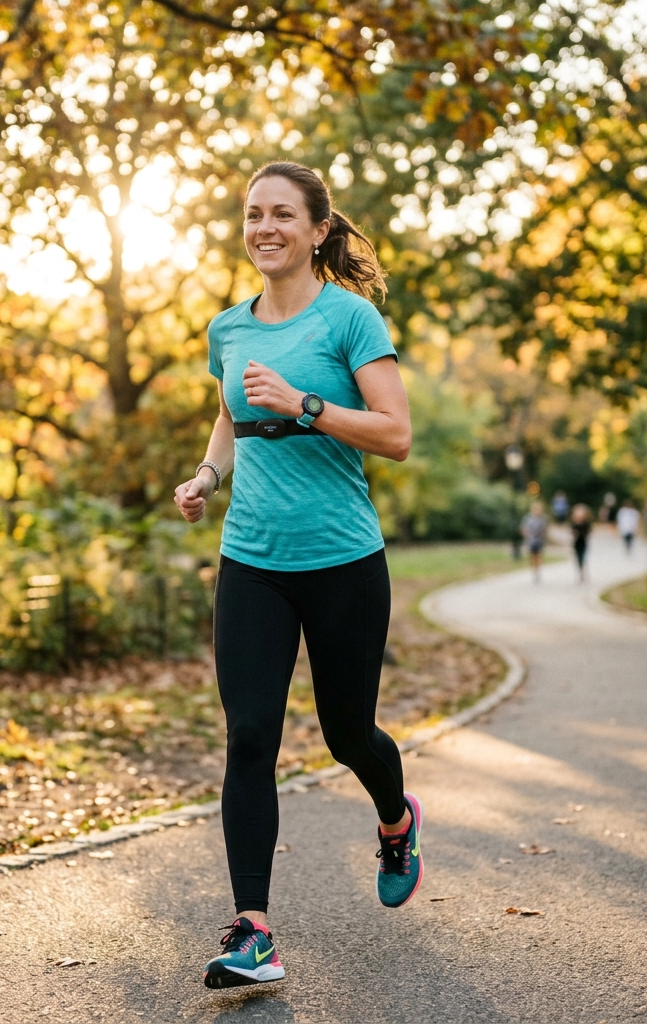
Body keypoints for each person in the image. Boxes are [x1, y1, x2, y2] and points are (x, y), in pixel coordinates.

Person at [173, 161, 423, 990]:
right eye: (252, 215)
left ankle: (395, 820)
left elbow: (394, 435)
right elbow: (228, 415)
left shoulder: (351, 320)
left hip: (345, 561)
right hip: (251, 564)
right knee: (250, 736)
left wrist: (304, 405)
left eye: (282, 214)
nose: (264, 228)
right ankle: (254, 934)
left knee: (349, 734)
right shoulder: (227, 328)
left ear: (319, 230)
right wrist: (209, 478)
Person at [520, 501, 549, 581]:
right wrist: (526, 534)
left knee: (539, 555)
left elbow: (545, 529)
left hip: (539, 540)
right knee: (532, 556)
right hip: (531, 540)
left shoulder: (543, 518)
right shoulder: (528, 518)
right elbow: (523, 528)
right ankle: (534, 570)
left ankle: (538, 570)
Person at [571, 503, 592, 582]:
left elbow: (588, 532)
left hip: (583, 543)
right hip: (577, 543)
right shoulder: (574, 524)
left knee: (583, 558)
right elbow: (572, 532)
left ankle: (582, 572)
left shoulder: (586, 524)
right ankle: (580, 572)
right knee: (578, 558)